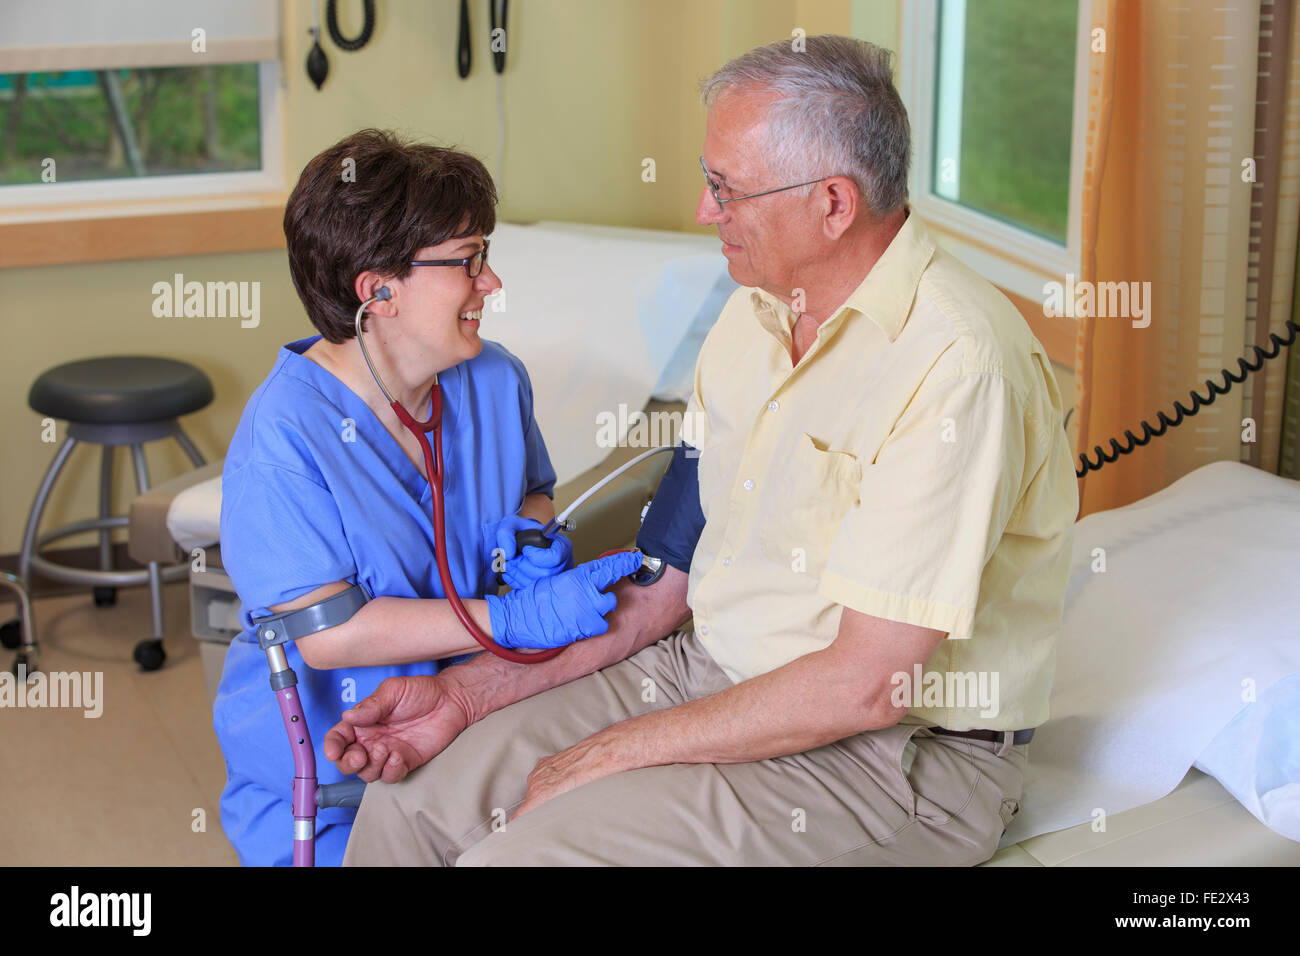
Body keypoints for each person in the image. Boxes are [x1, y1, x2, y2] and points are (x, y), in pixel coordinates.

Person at [328, 35, 1080, 866]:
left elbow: (869, 685)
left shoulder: (955, 366)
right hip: (700, 668)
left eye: (725, 188)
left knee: (521, 856)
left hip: (888, 755)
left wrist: (609, 753)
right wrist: (464, 695)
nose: (702, 210)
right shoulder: (749, 320)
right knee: (410, 809)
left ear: (833, 203)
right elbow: (660, 591)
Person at [213, 129, 638, 866]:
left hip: (480, 714)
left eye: (487, 255)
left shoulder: (494, 380)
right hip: (346, 758)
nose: (493, 282)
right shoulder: (283, 438)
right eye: (468, 261)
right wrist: (510, 615)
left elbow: (534, 493)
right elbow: (331, 636)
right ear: (377, 290)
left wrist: (534, 539)